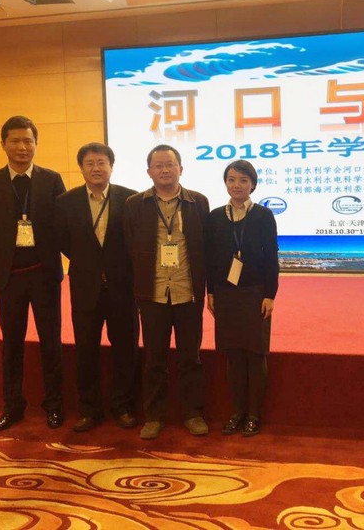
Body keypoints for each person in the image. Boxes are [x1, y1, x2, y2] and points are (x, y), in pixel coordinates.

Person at [0, 115, 66, 432]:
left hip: (44, 275)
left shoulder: (51, 180)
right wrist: (3, 251)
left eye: (28, 141)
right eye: (15, 141)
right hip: (9, 277)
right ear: (3, 144)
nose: (22, 147)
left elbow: (63, 224)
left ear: (36, 144)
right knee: (12, 343)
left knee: (51, 341)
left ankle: (54, 405)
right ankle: (13, 406)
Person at [123, 144, 209, 440]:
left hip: (188, 291)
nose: (164, 170)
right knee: (154, 358)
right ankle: (154, 416)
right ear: (149, 171)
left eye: (170, 164)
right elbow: (129, 247)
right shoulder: (135, 204)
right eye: (158, 165)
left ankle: (193, 413)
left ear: (180, 169)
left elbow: (204, 247)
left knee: (190, 357)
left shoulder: (198, 202)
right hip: (153, 293)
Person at [55, 143, 139, 432]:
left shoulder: (130, 199)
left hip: (122, 287)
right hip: (85, 287)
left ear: (111, 166)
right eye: (89, 163)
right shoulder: (65, 202)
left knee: (125, 349)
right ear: (81, 168)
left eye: (101, 162)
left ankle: (124, 407)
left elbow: (135, 240)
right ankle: (90, 410)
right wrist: (89, 262)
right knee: (86, 350)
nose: (96, 168)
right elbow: (63, 241)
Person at [204, 160, 279, 437]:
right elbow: (211, 259)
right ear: (226, 183)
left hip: (255, 293)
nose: (237, 185)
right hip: (225, 295)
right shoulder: (215, 217)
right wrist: (211, 291)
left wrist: (270, 294)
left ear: (253, 185)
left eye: (243, 180)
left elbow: (271, 258)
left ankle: (254, 414)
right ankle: (237, 412)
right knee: (233, 354)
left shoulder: (263, 215)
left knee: (255, 354)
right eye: (232, 180)